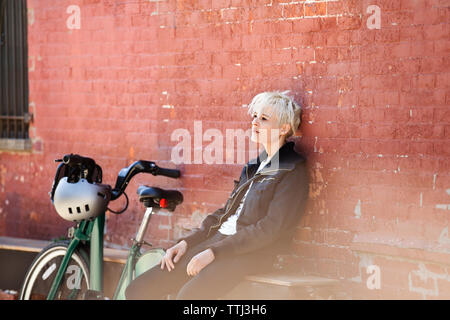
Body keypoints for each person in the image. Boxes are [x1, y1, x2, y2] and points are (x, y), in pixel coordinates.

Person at [125, 91, 309, 300]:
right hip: (218, 243)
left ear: (284, 128)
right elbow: (225, 213)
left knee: (188, 298)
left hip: (249, 252)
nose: (255, 122)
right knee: (138, 289)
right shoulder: (254, 166)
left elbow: (270, 228)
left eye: (264, 119)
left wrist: (215, 252)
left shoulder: (292, 169)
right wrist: (187, 242)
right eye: (254, 116)